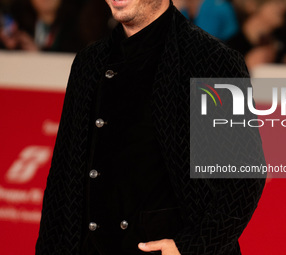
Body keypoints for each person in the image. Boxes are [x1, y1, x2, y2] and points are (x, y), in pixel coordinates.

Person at [36, 0, 266, 254]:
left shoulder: (212, 60)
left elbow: (244, 177)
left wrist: (192, 247)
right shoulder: (88, 62)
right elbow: (62, 177)